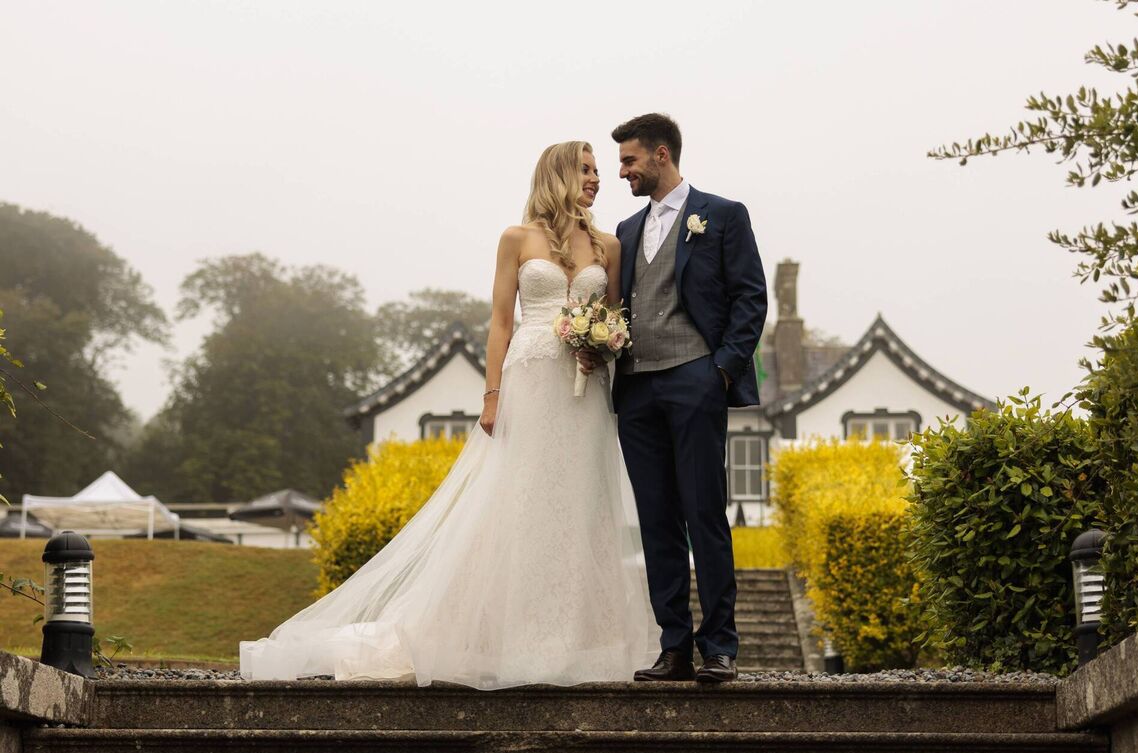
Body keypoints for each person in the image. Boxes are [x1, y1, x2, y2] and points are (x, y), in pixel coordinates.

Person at [239, 141, 659, 689]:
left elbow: (611, 316)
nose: (597, 179)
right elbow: (501, 323)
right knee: (521, 501)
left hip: (584, 390)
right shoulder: (517, 238)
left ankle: (577, 639)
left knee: (580, 504)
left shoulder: (609, 245)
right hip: (530, 382)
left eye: (599, 170)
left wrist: (601, 346)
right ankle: (495, 637)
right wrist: (491, 395)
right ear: (556, 174)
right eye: (586, 169)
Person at [602, 113, 768, 683]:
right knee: (656, 521)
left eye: (629, 160)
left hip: (695, 379)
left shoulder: (722, 215)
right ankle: (673, 647)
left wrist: (720, 370)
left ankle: (719, 647)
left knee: (703, 513)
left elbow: (750, 297)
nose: (621, 171)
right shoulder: (624, 230)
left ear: (662, 155)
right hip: (636, 387)